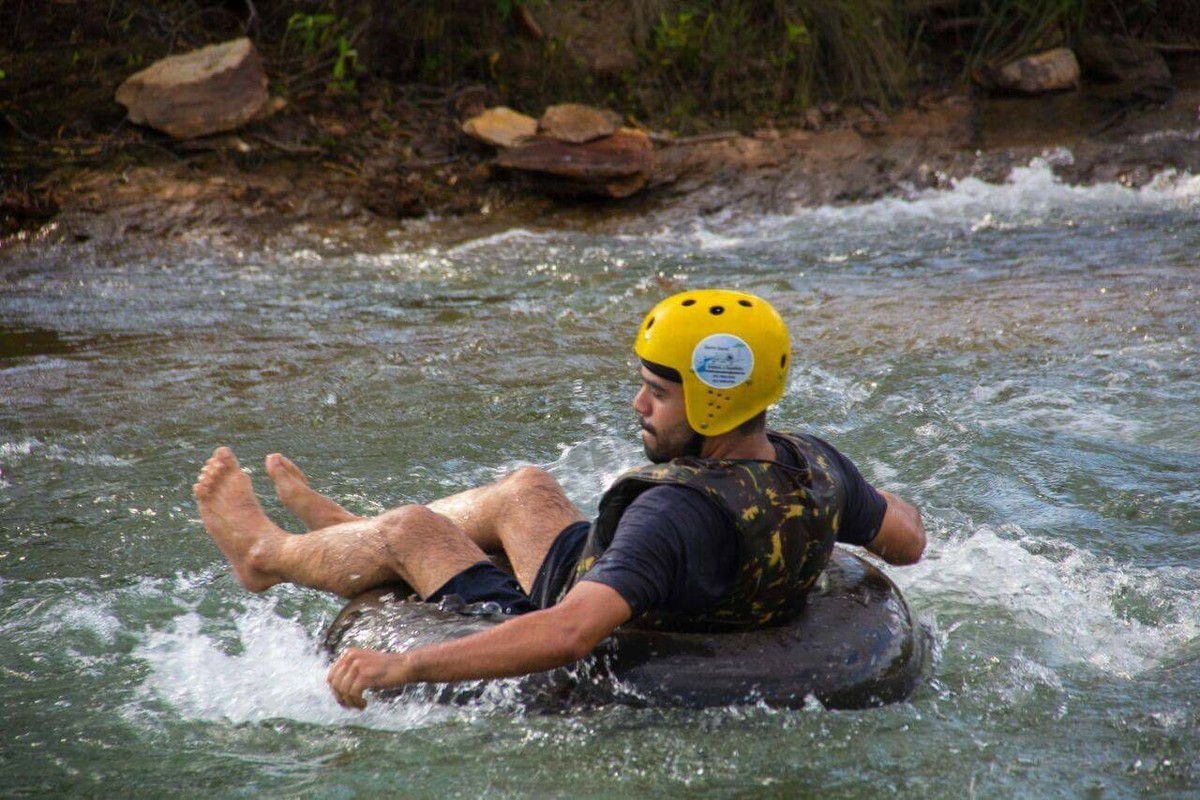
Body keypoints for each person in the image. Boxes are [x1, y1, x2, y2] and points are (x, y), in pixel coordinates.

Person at [193, 289, 925, 710]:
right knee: (527, 488)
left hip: (580, 599)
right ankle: (350, 533)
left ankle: (266, 555)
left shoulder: (677, 515)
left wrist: (404, 667)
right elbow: (908, 540)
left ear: (712, 402)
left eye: (659, 392)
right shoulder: (818, 467)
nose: (639, 403)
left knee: (414, 531)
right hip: (640, 571)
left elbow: (571, 632)